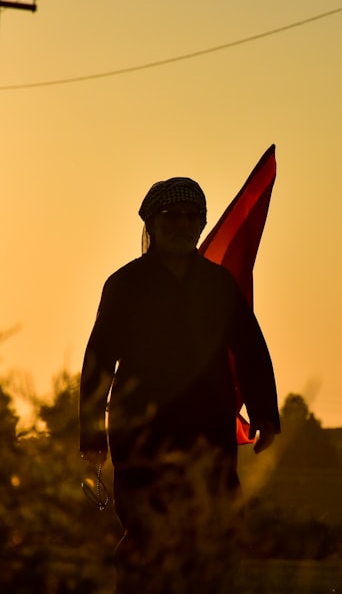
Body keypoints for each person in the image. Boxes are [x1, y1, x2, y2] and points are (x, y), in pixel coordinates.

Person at [79, 176, 280, 594]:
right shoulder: (125, 286)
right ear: (151, 223)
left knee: (216, 530)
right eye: (172, 216)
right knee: (145, 536)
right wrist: (92, 436)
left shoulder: (218, 286)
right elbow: (98, 363)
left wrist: (265, 413)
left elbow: (250, 349)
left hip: (209, 431)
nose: (183, 224)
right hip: (141, 435)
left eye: (193, 216)